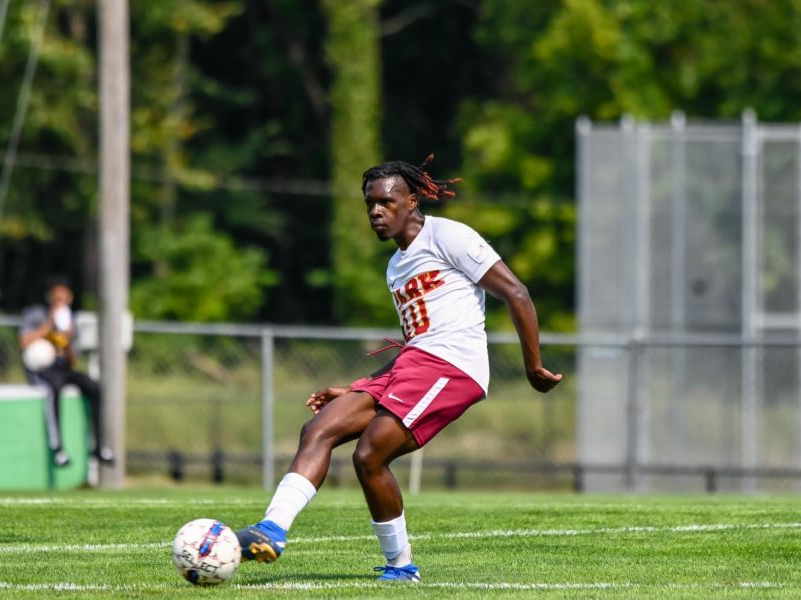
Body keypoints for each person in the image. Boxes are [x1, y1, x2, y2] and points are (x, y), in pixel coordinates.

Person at [235, 156, 562, 582]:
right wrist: (360, 387)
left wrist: (532, 366)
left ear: (411, 200)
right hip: (418, 362)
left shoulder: (448, 235)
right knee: (317, 430)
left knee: (370, 452)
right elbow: (415, 345)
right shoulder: (395, 267)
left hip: (453, 366)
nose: (375, 211)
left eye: (385, 202)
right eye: (369, 203)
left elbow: (516, 293)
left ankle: (400, 566)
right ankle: (272, 529)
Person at [19, 276, 114, 468]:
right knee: (54, 389)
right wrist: (49, 325)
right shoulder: (36, 314)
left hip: (62, 367)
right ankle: (58, 448)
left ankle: (98, 446)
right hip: (42, 369)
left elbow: (71, 360)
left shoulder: (71, 320)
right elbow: (24, 342)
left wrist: (67, 339)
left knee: (93, 386)